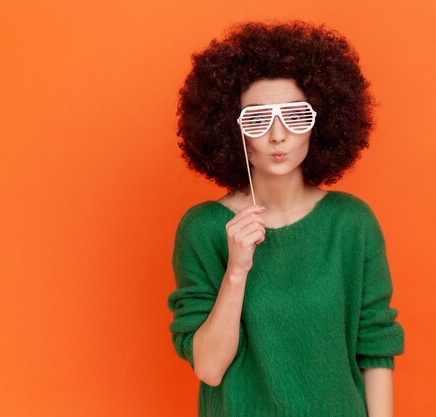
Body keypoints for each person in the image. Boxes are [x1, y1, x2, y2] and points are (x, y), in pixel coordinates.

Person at [167, 19, 405, 417]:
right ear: (233, 130)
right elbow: (208, 368)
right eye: (258, 119)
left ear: (321, 122)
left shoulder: (352, 223)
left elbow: (375, 349)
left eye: (295, 116)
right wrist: (237, 269)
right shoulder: (203, 229)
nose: (278, 135)